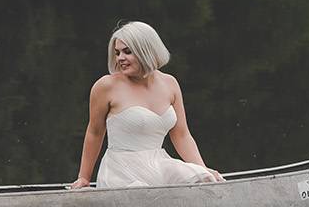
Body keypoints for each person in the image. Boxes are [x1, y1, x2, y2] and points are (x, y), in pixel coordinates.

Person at [68, 20, 224, 189]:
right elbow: (95, 132)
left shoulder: (170, 83)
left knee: (205, 179)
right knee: (141, 192)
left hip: (158, 163)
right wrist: (84, 177)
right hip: (122, 169)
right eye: (117, 52)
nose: (120, 58)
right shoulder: (106, 86)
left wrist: (202, 168)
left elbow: (181, 135)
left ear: (146, 50)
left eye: (127, 52)